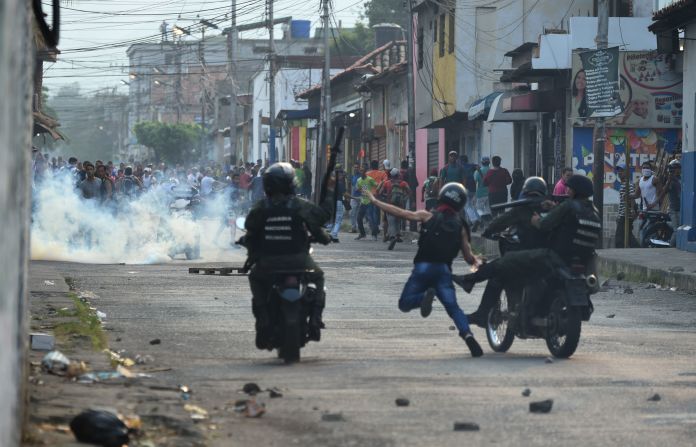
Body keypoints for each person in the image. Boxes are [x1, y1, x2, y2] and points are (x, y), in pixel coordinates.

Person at [363, 183, 484, 357]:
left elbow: (401, 213)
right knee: (454, 309)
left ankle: (423, 298)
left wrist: (374, 200)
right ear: (461, 203)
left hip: (423, 267)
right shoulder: (460, 226)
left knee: (404, 303)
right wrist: (478, 262)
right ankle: (467, 335)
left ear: (442, 196)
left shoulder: (427, 216)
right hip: (443, 271)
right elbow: (468, 257)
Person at [455, 175, 600, 295]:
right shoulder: (593, 211)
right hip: (582, 260)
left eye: (569, 189)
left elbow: (544, 225)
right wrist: (555, 208)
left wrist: (536, 220)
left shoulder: (567, 206)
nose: (567, 191)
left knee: (506, 260)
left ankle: (470, 280)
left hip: (555, 256)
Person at [243, 162, 333, 348]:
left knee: (255, 279)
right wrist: (329, 196)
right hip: (299, 260)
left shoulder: (261, 207)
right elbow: (319, 221)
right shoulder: (299, 205)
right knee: (319, 278)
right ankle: (316, 318)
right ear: (291, 184)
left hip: (267, 263)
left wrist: (251, 253)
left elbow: (250, 231)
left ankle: (262, 320)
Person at [466, 177, 552, 327]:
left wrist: (487, 231)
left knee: (498, 274)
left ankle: (481, 311)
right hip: (552, 258)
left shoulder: (522, 209)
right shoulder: (553, 209)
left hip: (528, 258)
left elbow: (499, 222)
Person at [377, 168, 410, 250]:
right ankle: (397, 235)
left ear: (391, 175)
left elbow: (380, 193)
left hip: (390, 205)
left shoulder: (387, 183)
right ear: (398, 175)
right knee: (397, 221)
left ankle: (392, 237)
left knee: (391, 222)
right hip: (400, 206)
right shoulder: (403, 183)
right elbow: (409, 191)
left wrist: (383, 200)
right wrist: (405, 199)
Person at [614, 165, 639, 248]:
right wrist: (619, 214)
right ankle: (638, 249)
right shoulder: (623, 184)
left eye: (622, 171)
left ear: (627, 172)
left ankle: (620, 252)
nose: (619, 173)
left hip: (626, 214)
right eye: (619, 171)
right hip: (623, 214)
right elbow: (622, 201)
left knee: (619, 237)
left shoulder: (628, 184)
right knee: (627, 235)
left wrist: (632, 210)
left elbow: (631, 197)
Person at [660, 159, 681, 246]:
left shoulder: (681, 179)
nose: (678, 170)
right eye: (675, 168)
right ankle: (670, 248)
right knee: (677, 231)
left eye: (678, 167)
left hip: (681, 209)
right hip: (674, 210)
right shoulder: (671, 181)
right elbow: (663, 192)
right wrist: (668, 180)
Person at [355, 164, 379, 240]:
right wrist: (359, 190)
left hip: (369, 201)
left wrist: (375, 193)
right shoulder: (359, 180)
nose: (361, 172)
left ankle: (374, 235)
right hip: (363, 201)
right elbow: (357, 188)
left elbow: (376, 185)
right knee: (359, 218)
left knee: (370, 219)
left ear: (365, 172)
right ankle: (362, 234)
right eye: (360, 170)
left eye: (362, 170)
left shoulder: (369, 179)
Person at [329, 164, 348, 243]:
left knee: (336, 219)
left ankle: (333, 233)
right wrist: (355, 198)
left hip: (333, 202)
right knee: (338, 220)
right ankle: (334, 234)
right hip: (339, 202)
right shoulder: (340, 183)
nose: (342, 175)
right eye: (341, 174)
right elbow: (345, 194)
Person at [474, 157, 492, 225]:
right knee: (488, 209)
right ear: (489, 162)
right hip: (490, 193)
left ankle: (482, 217)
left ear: (481, 162)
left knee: (479, 208)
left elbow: (475, 181)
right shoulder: (491, 171)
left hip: (480, 193)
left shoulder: (477, 171)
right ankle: (487, 224)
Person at [349, 164, 361, 232]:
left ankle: (358, 228)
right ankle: (353, 227)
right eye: (355, 167)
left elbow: (364, 186)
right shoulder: (353, 176)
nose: (356, 168)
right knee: (352, 213)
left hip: (360, 197)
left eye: (357, 167)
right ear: (353, 168)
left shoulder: (361, 176)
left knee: (359, 213)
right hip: (353, 197)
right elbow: (353, 187)